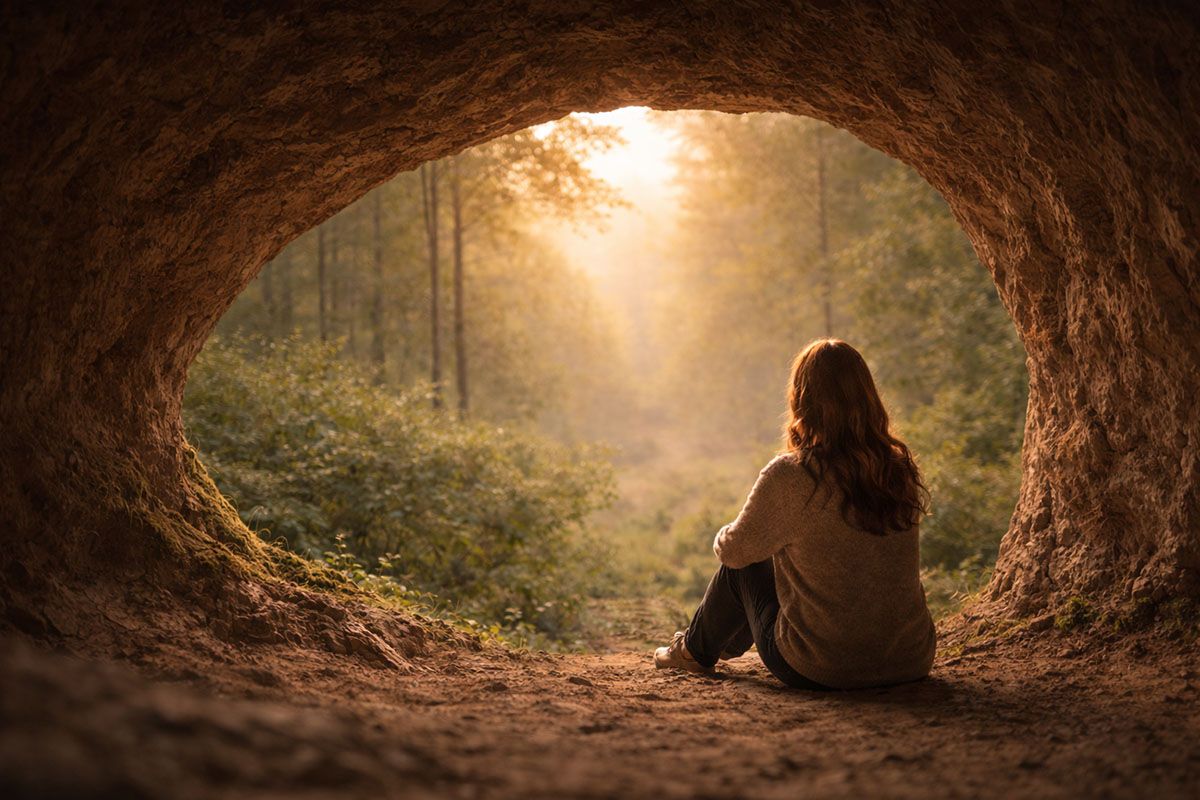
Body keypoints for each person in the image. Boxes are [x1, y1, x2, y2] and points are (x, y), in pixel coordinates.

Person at [654, 338, 936, 690]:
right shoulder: (898, 469)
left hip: (821, 666)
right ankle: (717, 643)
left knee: (744, 567)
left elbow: (734, 552)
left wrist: (725, 533)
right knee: (782, 553)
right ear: (868, 396)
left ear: (802, 399)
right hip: (909, 659)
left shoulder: (793, 474)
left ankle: (693, 653)